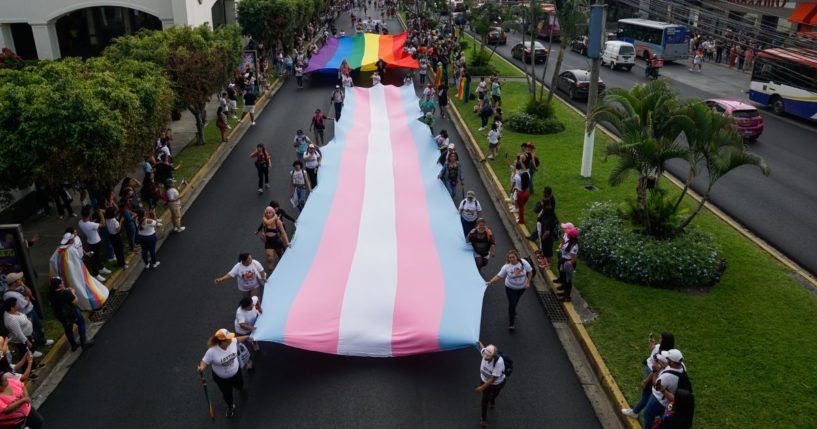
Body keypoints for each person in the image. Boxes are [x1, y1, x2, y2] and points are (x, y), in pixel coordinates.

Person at [197, 329, 252, 419]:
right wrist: (201, 368)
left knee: (239, 385)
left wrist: (248, 337)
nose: (231, 339)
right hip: (221, 379)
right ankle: (231, 406)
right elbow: (204, 362)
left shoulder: (232, 341)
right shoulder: (212, 351)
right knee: (227, 394)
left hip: (236, 372)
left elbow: (238, 339)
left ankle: (240, 388)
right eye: (229, 338)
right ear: (223, 342)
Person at [623, 332, 676, 420]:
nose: (659, 340)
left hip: (651, 374)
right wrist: (652, 344)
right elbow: (652, 351)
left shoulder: (664, 357)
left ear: (665, 341)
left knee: (646, 400)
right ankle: (662, 418)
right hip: (651, 373)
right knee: (648, 398)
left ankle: (635, 412)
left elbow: (655, 371)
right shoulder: (661, 347)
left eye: (661, 338)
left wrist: (646, 381)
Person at [485, 250, 533, 330]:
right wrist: (490, 282)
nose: (511, 259)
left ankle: (513, 311)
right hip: (510, 288)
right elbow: (499, 276)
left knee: (516, 300)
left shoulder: (523, 262)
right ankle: (511, 323)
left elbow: (530, 272)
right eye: (509, 258)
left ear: (517, 256)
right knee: (512, 304)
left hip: (522, 288)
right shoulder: (506, 267)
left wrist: (528, 283)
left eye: (513, 257)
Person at [2, 273, 51, 351]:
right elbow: (24, 305)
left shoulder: (18, 287)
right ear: (15, 282)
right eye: (19, 279)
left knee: (38, 326)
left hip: (31, 310)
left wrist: (23, 286)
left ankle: (41, 341)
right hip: (26, 313)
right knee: (30, 331)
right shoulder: (10, 294)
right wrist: (27, 299)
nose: (21, 280)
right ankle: (34, 347)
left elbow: (29, 293)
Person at [644, 349, 688, 428]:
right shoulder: (682, 367)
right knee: (664, 418)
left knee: (647, 414)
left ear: (672, 362)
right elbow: (669, 367)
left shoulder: (667, 377)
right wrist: (661, 363)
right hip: (670, 404)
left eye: (668, 359)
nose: (666, 360)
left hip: (658, 401)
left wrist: (654, 371)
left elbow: (656, 386)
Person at [47, 277, 94, 352]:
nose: (63, 283)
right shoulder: (66, 293)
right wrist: (73, 293)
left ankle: (73, 345)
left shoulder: (50, 294)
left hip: (60, 315)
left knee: (68, 328)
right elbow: (75, 301)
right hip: (71, 312)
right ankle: (83, 342)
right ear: (59, 285)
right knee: (81, 323)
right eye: (61, 282)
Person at [474, 342, 506, 427]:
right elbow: (482, 348)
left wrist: (481, 388)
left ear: (493, 356)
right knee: (484, 401)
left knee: (494, 394)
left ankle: (492, 401)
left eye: (488, 358)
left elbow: (493, 379)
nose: (485, 358)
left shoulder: (499, 362)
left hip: (496, 384)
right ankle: (483, 419)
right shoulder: (485, 352)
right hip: (484, 380)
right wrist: (478, 341)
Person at [78, 205, 110, 282]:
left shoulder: (80, 222)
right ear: (88, 215)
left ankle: (101, 268)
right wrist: (101, 215)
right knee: (94, 258)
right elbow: (103, 224)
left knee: (96, 256)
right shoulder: (91, 224)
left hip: (90, 241)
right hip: (96, 242)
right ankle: (96, 274)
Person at [531, 187, 557, 269]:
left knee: (547, 248)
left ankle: (547, 262)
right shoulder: (547, 214)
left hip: (547, 238)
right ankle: (543, 255)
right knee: (545, 247)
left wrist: (543, 238)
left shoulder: (549, 218)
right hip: (545, 235)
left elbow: (548, 231)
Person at [234, 297, 262, 369]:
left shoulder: (252, 301)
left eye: (252, 304)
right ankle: (248, 361)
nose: (253, 306)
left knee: (254, 337)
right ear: (245, 307)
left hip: (252, 326)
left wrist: (259, 308)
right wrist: (252, 328)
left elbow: (257, 299)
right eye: (251, 306)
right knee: (245, 347)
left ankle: (255, 344)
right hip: (243, 332)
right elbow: (242, 325)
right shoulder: (240, 312)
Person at [555, 228, 579, 301]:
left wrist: (566, 265)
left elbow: (573, 259)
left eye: (568, 234)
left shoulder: (574, 246)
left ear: (571, 237)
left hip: (568, 263)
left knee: (568, 280)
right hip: (564, 261)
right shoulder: (569, 241)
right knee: (565, 279)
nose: (567, 234)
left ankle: (567, 296)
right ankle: (564, 292)